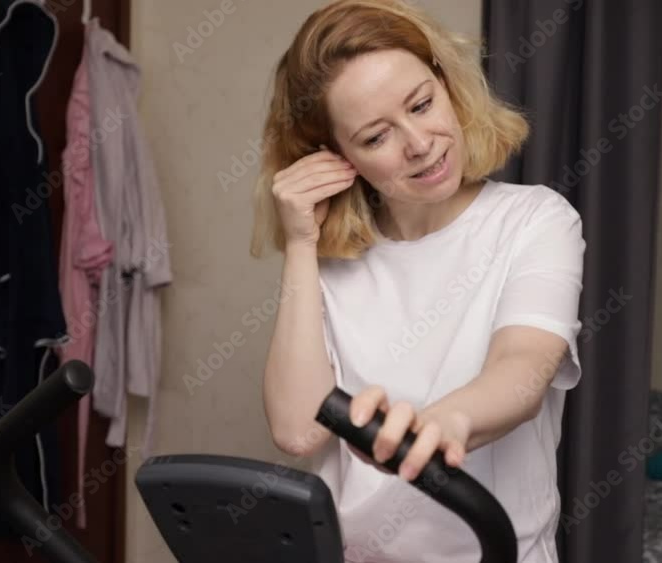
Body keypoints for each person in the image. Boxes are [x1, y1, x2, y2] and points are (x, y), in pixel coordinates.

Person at [250, 1, 585, 561]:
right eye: (376, 137)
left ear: (447, 84)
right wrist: (302, 244)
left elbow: (524, 369)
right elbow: (297, 431)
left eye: (422, 105)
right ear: (336, 157)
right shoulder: (331, 263)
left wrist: (444, 424)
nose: (420, 143)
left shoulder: (535, 220)